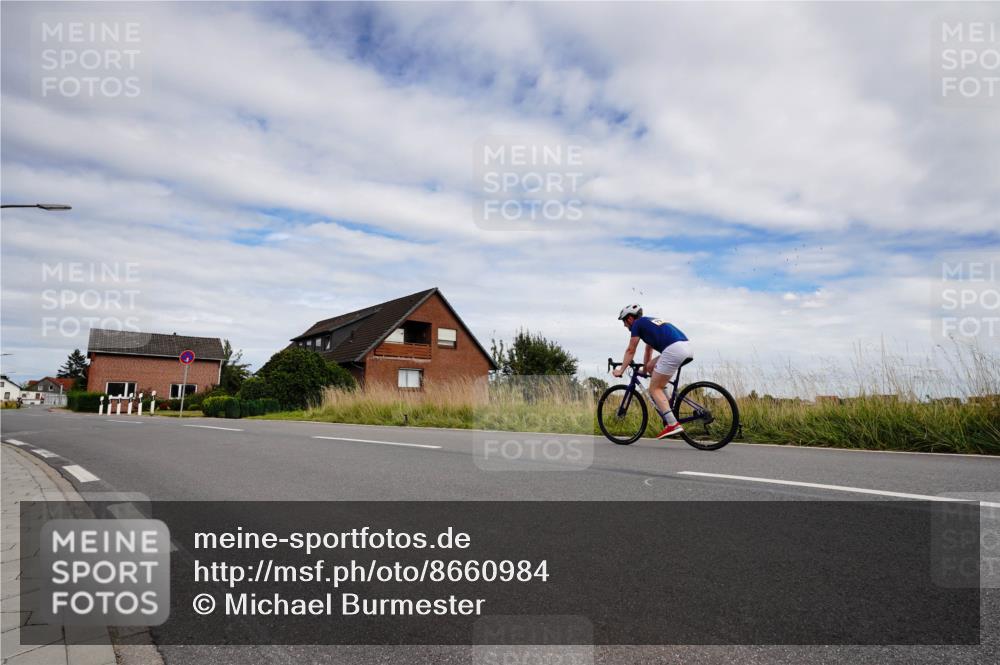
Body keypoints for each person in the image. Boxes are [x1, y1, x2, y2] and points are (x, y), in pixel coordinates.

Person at [612, 304, 693, 439]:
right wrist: (645, 369)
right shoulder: (649, 323)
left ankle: (672, 424)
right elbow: (648, 350)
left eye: (624, 322)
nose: (625, 326)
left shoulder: (637, 325)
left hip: (673, 350)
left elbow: (631, 350)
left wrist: (621, 370)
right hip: (685, 347)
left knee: (654, 389)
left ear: (630, 319)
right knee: (650, 367)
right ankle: (668, 406)